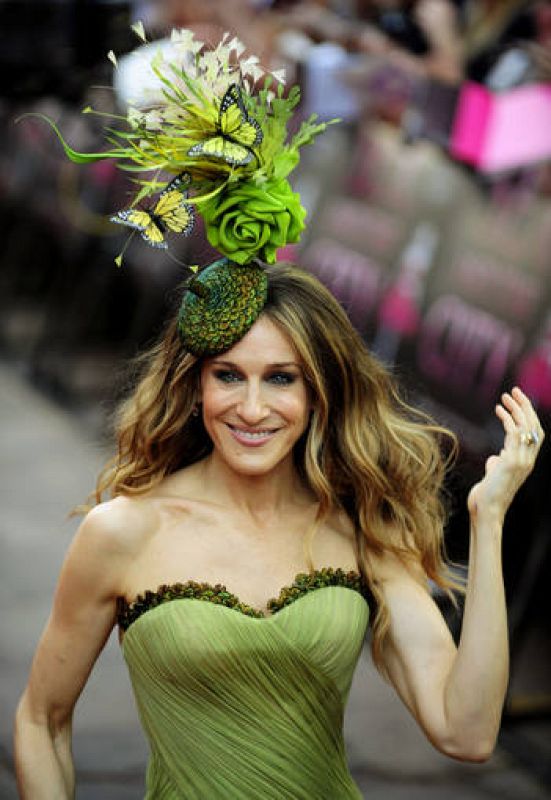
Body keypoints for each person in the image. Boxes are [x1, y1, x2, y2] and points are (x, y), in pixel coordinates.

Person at [14, 25, 544, 800]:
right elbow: (41, 721)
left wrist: (489, 520)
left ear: (320, 390)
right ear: (194, 385)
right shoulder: (123, 532)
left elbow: (465, 733)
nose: (252, 408)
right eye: (228, 375)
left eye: (283, 379)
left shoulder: (365, 530)